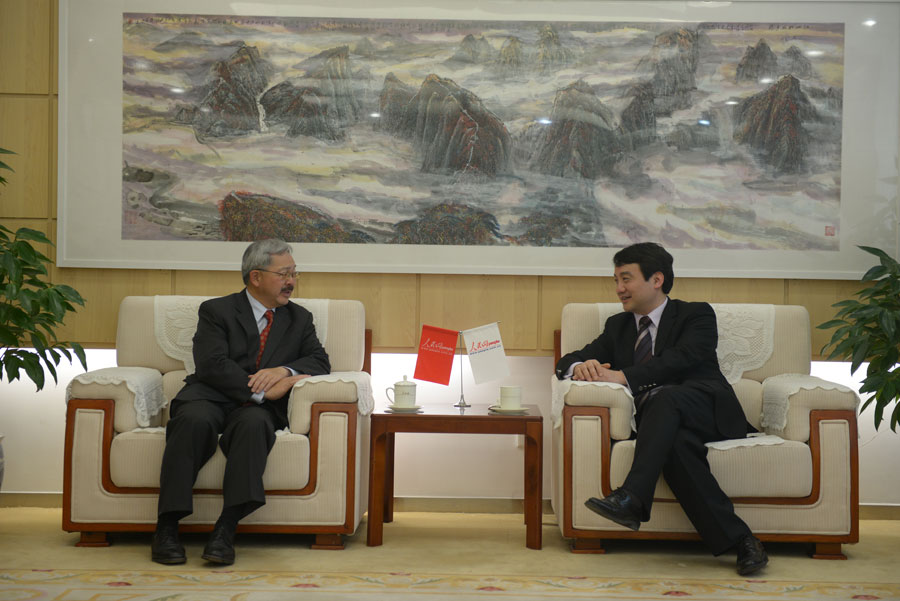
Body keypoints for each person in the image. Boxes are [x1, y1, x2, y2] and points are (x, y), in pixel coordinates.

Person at [555, 242, 768, 576]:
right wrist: (580, 367)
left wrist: (622, 375)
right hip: (662, 425)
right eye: (615, 280)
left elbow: (681, 360)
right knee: (676, 448)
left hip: (708, 410)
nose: (619, 288)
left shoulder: (695, 314)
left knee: (665, 396)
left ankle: (632, 497)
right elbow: (567, 360)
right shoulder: (618, 327)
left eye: (626, 278)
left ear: (657, 279)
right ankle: (744, 542)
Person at [151, 239, 330, 565]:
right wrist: (262, 390)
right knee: (192, 422)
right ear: (256, 277)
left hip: (257, 411)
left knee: (253, 426)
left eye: (294, 273)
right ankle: (166, 527)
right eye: (284, 273)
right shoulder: (216, 311)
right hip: (210, 395)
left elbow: (319, 362)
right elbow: (212, 364)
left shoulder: (299, 318)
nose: (291, 281)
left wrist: (284, 372)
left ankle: (225, 529)